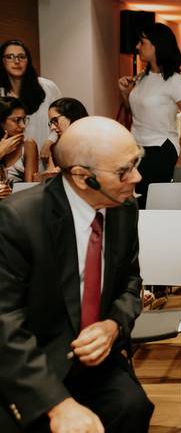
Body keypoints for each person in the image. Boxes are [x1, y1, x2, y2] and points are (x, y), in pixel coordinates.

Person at [0, 116, 153, 432]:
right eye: (124, 171)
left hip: (95, 360)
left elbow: (130, 282)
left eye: (136, 164)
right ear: (84, 178)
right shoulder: (18, 219)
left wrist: (113, 326)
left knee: (132, 406)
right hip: (32, 360)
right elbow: (6, 322)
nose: (137, 177)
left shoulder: (123, 208)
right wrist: (57, 404)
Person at [117, 23, 181, 208]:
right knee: (133, 204)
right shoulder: (142, 77)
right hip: (136, 150)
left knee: (147, 206)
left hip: (160, 150)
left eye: (142, 42)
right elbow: (136, 113)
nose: (137, 46)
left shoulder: (174, 81)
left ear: (156, 45)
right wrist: (125, 93)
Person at [0, 39, 63, 154]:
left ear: (28, 60)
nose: (16, 61)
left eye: (21, 57)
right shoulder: (1, 93)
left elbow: (62, 119)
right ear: (2, 61)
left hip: (46, 154)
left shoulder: (48, 87)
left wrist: (50, 142)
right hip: (11, 158)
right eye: (10, 57)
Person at [45, 97, 89, 174]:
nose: (52, 127)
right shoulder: (55, 149)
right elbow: (50, 175)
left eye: (55, 120)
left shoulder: (94, 144)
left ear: (72, 116)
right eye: (51, 123)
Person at [0, 97, 38, 183]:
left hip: (19, 192)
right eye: (17, 120)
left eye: (24, 120)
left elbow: (30, 186)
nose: (23, 126)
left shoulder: (28, 144)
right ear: (1, 122)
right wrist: (1, 151)